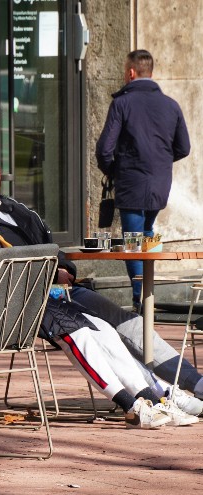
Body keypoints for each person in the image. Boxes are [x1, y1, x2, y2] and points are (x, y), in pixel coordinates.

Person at [0, 180, 199, 428]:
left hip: (22, 295)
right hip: (0, 306)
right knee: (81, 336)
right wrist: (15, 272)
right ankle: (132, 406)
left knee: (104, 329)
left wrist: (28, 274)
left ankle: (151, 398)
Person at [0, 143, 203, 411]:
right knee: (102, 329)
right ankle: (159, 395)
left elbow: (52, 247)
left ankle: (197, 384)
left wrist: (66, 270)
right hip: (28, 299)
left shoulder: (18, 210)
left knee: (130, 322)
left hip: (61, 288)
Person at [95, 49, 190, 308]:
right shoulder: (171, 105)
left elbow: (104, 149)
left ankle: (141, 298)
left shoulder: (122, 103)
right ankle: (147, 293)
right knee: (148, 233)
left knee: (133, 240)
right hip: (160, 184)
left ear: (131, 72)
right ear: (151, 73)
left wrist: (115, 170)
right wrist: (157, 164)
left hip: (131, 182)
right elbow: (183, 148)